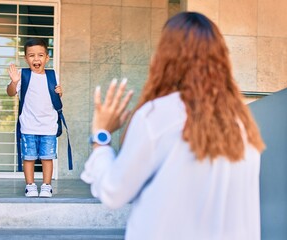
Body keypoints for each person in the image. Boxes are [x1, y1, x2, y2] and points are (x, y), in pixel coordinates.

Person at [81, 12, 265, 240]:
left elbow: (113, 192)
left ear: (165, 57)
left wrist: (102, 137)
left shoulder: (157, 115)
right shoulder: (242, 123)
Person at [7, 38, 62, 198]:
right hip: (28, 125)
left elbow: (55, 97)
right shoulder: (22, 75)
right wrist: (14, 81)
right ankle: (30, 186)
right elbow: (10, 92)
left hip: (48, 125)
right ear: (26, 58)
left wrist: (60, 92)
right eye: (31, 55)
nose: (36, 59)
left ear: (47, 58)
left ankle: (46, 186)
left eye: (40, 55)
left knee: (47, 157)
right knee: (29, 157)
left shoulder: (53, 75)